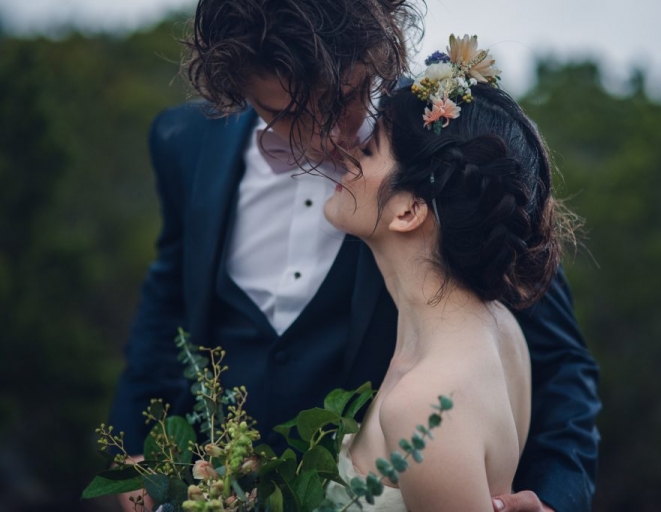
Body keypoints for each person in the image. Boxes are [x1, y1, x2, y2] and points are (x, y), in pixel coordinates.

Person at [108, 1, 600, 511]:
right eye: (289, 114)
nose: (330, 138)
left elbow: (559, 364)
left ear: (374, 52)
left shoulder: (444, 153)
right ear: (240, 89)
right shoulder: (183, 144)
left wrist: (551, 502)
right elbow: (170, 301)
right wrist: (136, 452)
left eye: (341, 98)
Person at [322, 37, 568, 511]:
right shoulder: (500, 326)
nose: (344, 151)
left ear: (410, 209)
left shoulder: (425, 404)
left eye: (369, 149)